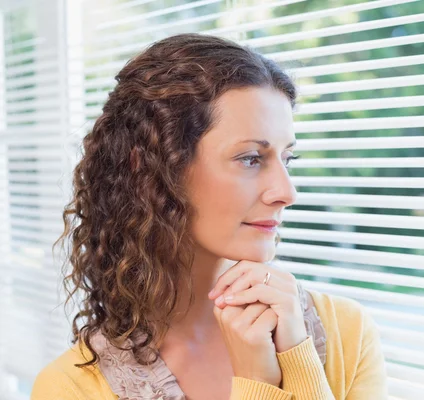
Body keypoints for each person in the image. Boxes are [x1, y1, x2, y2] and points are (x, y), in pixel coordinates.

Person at [31, 33, 388, 400]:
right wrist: (258, 382)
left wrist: (297, 356)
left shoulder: (347, 332)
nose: (286, 192)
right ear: (151, 170)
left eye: (287, 159)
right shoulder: (70, 389)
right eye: (251, 158)